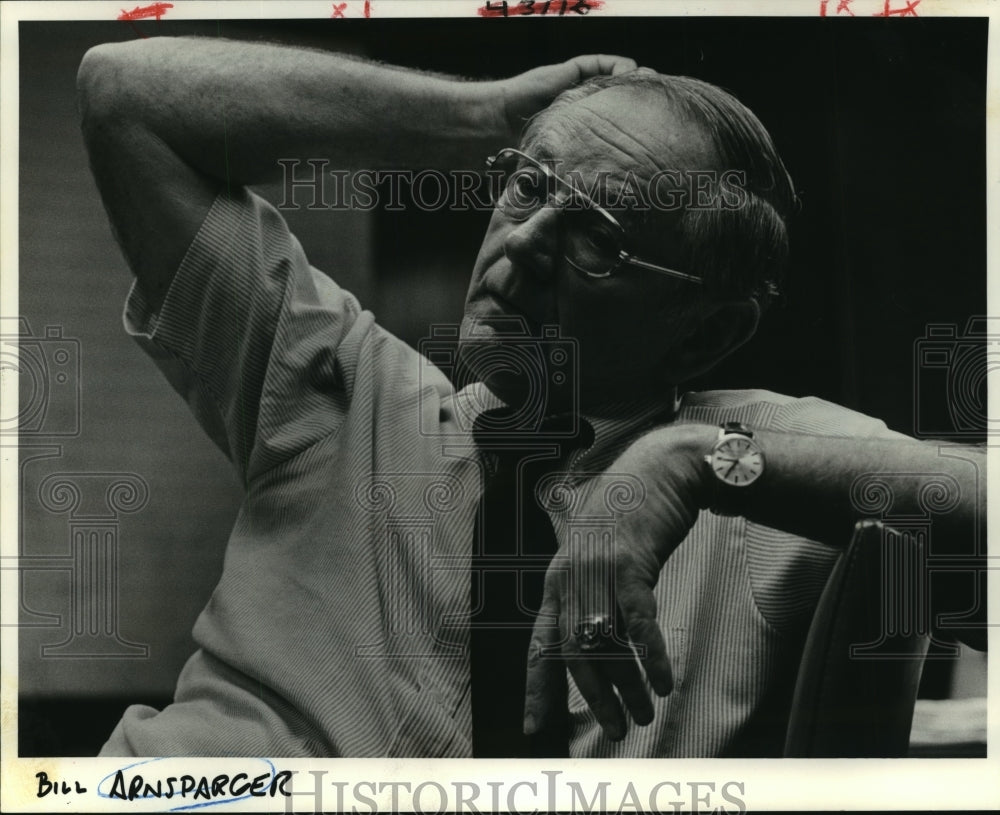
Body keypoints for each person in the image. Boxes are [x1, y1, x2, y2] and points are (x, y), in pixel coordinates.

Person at [77, 36, 985, 758]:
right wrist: (479, 117)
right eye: (526, 186)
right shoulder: (339, 389)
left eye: (598, 236)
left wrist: (697, 466)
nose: (520, 244)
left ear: (705, 334)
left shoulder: (758, 469)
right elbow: (126, 95)